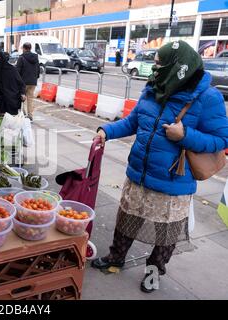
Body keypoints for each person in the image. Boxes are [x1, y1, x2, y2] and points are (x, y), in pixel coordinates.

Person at [91, 41, 228, 293]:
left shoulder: (208, 98)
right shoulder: (154, 87)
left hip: (173, 184)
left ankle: (154, 272)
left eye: (159, 64)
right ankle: (115, 258)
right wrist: (106, 131)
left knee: (165, 236)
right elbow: (134, 121)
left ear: (179, 68)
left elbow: (221, 139)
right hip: (139, 174)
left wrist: (184, 134)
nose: (154, 69)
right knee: (126, 221)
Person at [0, 50, 26, 115]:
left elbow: (20, 83)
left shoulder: (11, 69)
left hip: (11, 101)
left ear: (2, 58)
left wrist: (23, 93)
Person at [16, 42, 40, 121]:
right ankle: (30, 116)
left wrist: (17, 80)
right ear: (30, 48)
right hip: (33, 82)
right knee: (30, 99)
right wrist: (35, 78)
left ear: (24, 48)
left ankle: (22, 114)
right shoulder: (35, 57)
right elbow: (38, 69)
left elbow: (17, 70)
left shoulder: (21, 58)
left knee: (21, 97)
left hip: (23, 82)